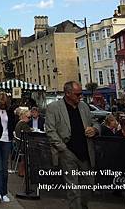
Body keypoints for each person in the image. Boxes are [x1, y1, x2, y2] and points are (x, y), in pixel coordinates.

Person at [45, 81, 98, 209]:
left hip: (85, 151)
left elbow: (95, 122)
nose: (80, 96)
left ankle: (83, 206)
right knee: (73, 189)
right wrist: (62, 148)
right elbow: (50, 131)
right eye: (77, 94)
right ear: (68, 93)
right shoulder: (54, 108)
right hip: (67, 152)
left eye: (81, 94)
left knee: (89, 185)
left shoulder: (84, 106)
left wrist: (95, 130)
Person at [14, 109, 32, 177]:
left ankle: (21, 171)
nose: (30, 119)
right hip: (23, 145)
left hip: (20, 145)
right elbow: (28, 134)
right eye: (29, 117)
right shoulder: (23, 124)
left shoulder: (19, 123)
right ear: (24, 116)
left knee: (23, 157)